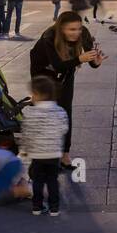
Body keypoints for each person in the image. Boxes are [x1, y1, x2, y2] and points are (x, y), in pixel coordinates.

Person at [29, 10, 104, 170]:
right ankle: (43, 154)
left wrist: (96, 62)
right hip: (43, 71)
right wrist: (79, 59)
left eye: (78, 28)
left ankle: (64, 154)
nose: (76, 32)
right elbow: (57, 64)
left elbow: (91, 61)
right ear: (61, 28)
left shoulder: (83, 33)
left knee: (65, 111)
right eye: (71, 29)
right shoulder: (49, 37)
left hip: (66, 71)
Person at [19, 75, 69, 216]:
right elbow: (64, 129)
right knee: (53, 181)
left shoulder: (30, 113)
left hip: (37, 155)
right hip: (53, 154)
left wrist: (23, 152)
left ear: (38, 95)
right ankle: (54, 208)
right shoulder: (60, 111)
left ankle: (37, 207)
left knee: (38, 181)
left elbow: (26, 134)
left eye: (32, 94)